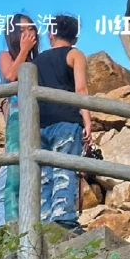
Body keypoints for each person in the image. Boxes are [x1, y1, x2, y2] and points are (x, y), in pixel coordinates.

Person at [36, 14, 92, 230]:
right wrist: (87, 120)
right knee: (65, 168)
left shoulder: (36, 61)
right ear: (75, 38)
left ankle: (44, 221)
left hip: (40, 123)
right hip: (67, 120)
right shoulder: (75, 54)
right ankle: (64, 220)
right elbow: (81, 89)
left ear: (51, 34)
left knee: (45, 175)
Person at [0, 13, 40, 226]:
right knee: (6, 186)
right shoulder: (5, 55)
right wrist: (24, 51)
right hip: (17, 125)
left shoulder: (39, 61)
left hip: (38, 123)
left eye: (31, 28)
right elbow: (10, 76)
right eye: (22, 30)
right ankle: (8, 229)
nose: (28, 33)